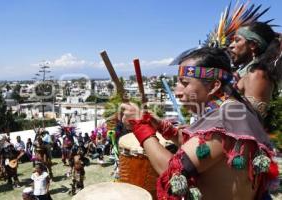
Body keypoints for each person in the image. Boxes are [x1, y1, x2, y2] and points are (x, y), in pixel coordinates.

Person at [120, 47, 279, 200]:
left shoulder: (226, 118)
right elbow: (201, 147)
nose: (177, 91)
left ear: (213, 86)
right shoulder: (233, 108)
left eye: (185, 83)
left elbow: (172, 172)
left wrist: (140, 126)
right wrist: (162, 127)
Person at [228, 22, 282, 119]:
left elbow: (252, 120)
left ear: (252, 45)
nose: (231, 45)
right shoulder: (243, 73)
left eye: (237, 40)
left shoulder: (258, 75)